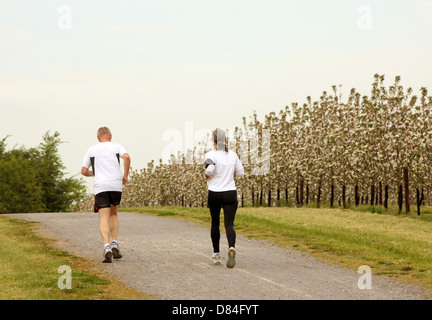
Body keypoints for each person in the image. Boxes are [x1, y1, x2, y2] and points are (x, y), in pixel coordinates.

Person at [81, 127, 130, 263]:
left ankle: (106, 246)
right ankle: (115, 243)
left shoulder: (92, 149)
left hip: (101, 186)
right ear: (110, 136)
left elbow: (84, 171)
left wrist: (94, 173)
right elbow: (126, 156)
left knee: (103, 217)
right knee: (113, 214)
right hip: (115, 185)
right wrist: (125, 175)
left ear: (98, 138)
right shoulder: (116, 147)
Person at [204, 128, 244, 268]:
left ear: (213, 141)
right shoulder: (233, 155)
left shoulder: (210, 154)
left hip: (215, 192)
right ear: (225, 140)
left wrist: (207, 175)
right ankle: (231, 247)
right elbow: (240, 173)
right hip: (230, 192)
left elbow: (209, 169)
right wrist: (229, 171)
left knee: (215, 223)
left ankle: (216, 254)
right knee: (229, 224)